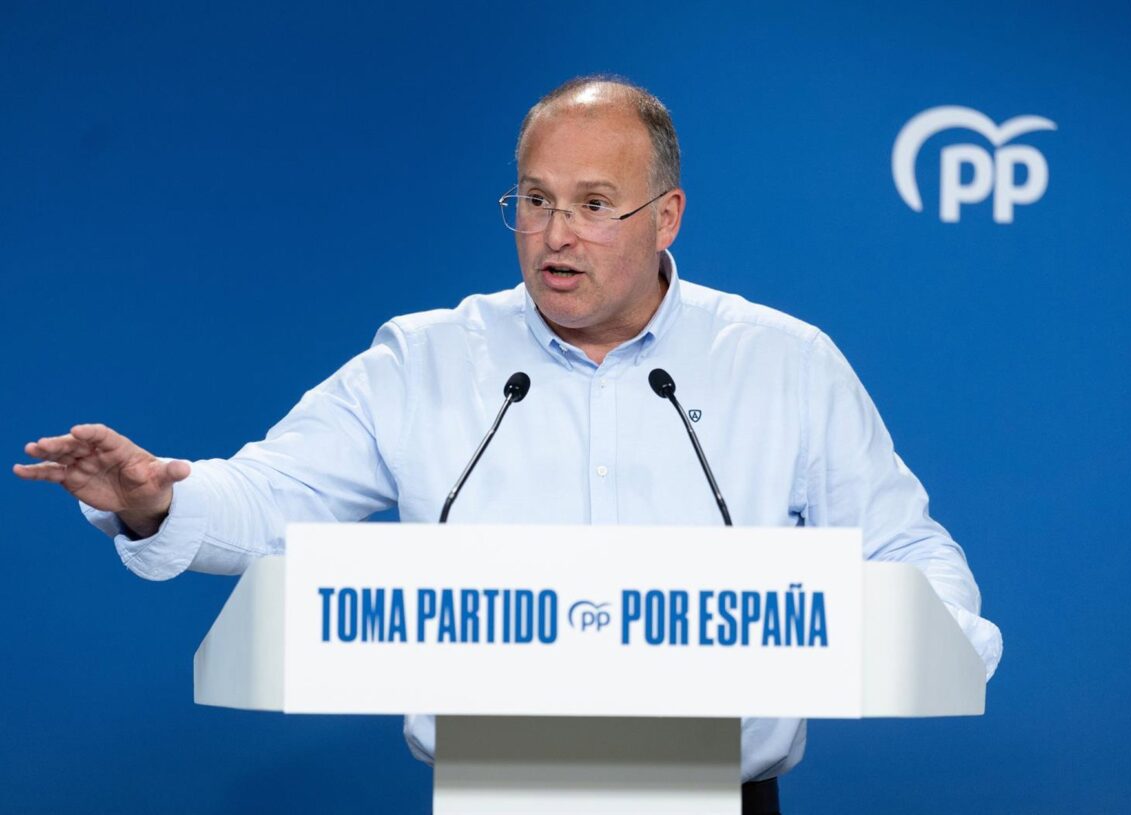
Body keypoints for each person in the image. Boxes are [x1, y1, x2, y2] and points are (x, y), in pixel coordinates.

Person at [14, 76, 1002, 814]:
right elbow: (274, 499)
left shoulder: (782, 361)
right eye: (534, 200)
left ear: (667, 217)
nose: (555, 233)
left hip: (718, 795)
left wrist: (942, 648)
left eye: (593, 203)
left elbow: (905, 550)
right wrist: (154, 497)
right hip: (494, 793)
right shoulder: (428, 356)